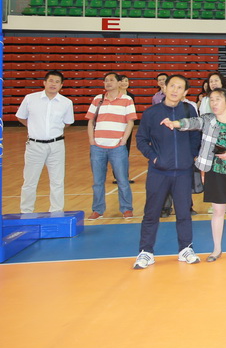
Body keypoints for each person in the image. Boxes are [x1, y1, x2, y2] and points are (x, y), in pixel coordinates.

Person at [162, 88, 226, 261]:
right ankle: (216, 249)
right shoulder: (207, 119)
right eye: (211, 100)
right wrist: (175, 123)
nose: (214, 103)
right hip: (214, 170)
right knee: (218, 211)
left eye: (217, 99)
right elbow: (192, 122)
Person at [133, 75, 203, 269]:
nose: (175, 90)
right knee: (151, 212)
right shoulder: (151, 113)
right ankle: (146, 251)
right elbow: (141, 139)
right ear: (164, 88)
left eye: (180, 87)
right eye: (172, 86)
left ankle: (185, 248)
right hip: (158, 172)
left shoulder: (189, 111)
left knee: (184, 212)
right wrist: (154, 157)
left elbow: (196, 136)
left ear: (185, 92)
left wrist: (190, 156)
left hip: (183, 172)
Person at [16, 70, 74, 213]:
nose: (53, 84)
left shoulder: (66, 103)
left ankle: (56, 211)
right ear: (44, 82)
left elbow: (67, 122)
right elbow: (21, 117)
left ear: (61, 85)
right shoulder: (30, 98)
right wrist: (34, 128)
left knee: (57, 181)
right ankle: (26, 212)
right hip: (34, 145)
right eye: (51, 81)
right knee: (30, 181)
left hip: (56, 145)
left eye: (57, 82)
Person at [86, 72, 137, 219]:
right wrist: (92, 140)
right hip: (97, 147)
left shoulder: (127, 100)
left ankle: (126, 208)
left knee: (122, 180)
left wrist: (123, 141)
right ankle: (97, 209)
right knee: (97, 181)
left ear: (118, 83)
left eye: (111, 80)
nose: (108, 83)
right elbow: (90, 120)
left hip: (117, 147)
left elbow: (130, 122)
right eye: (106, 80)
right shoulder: (97, 100)